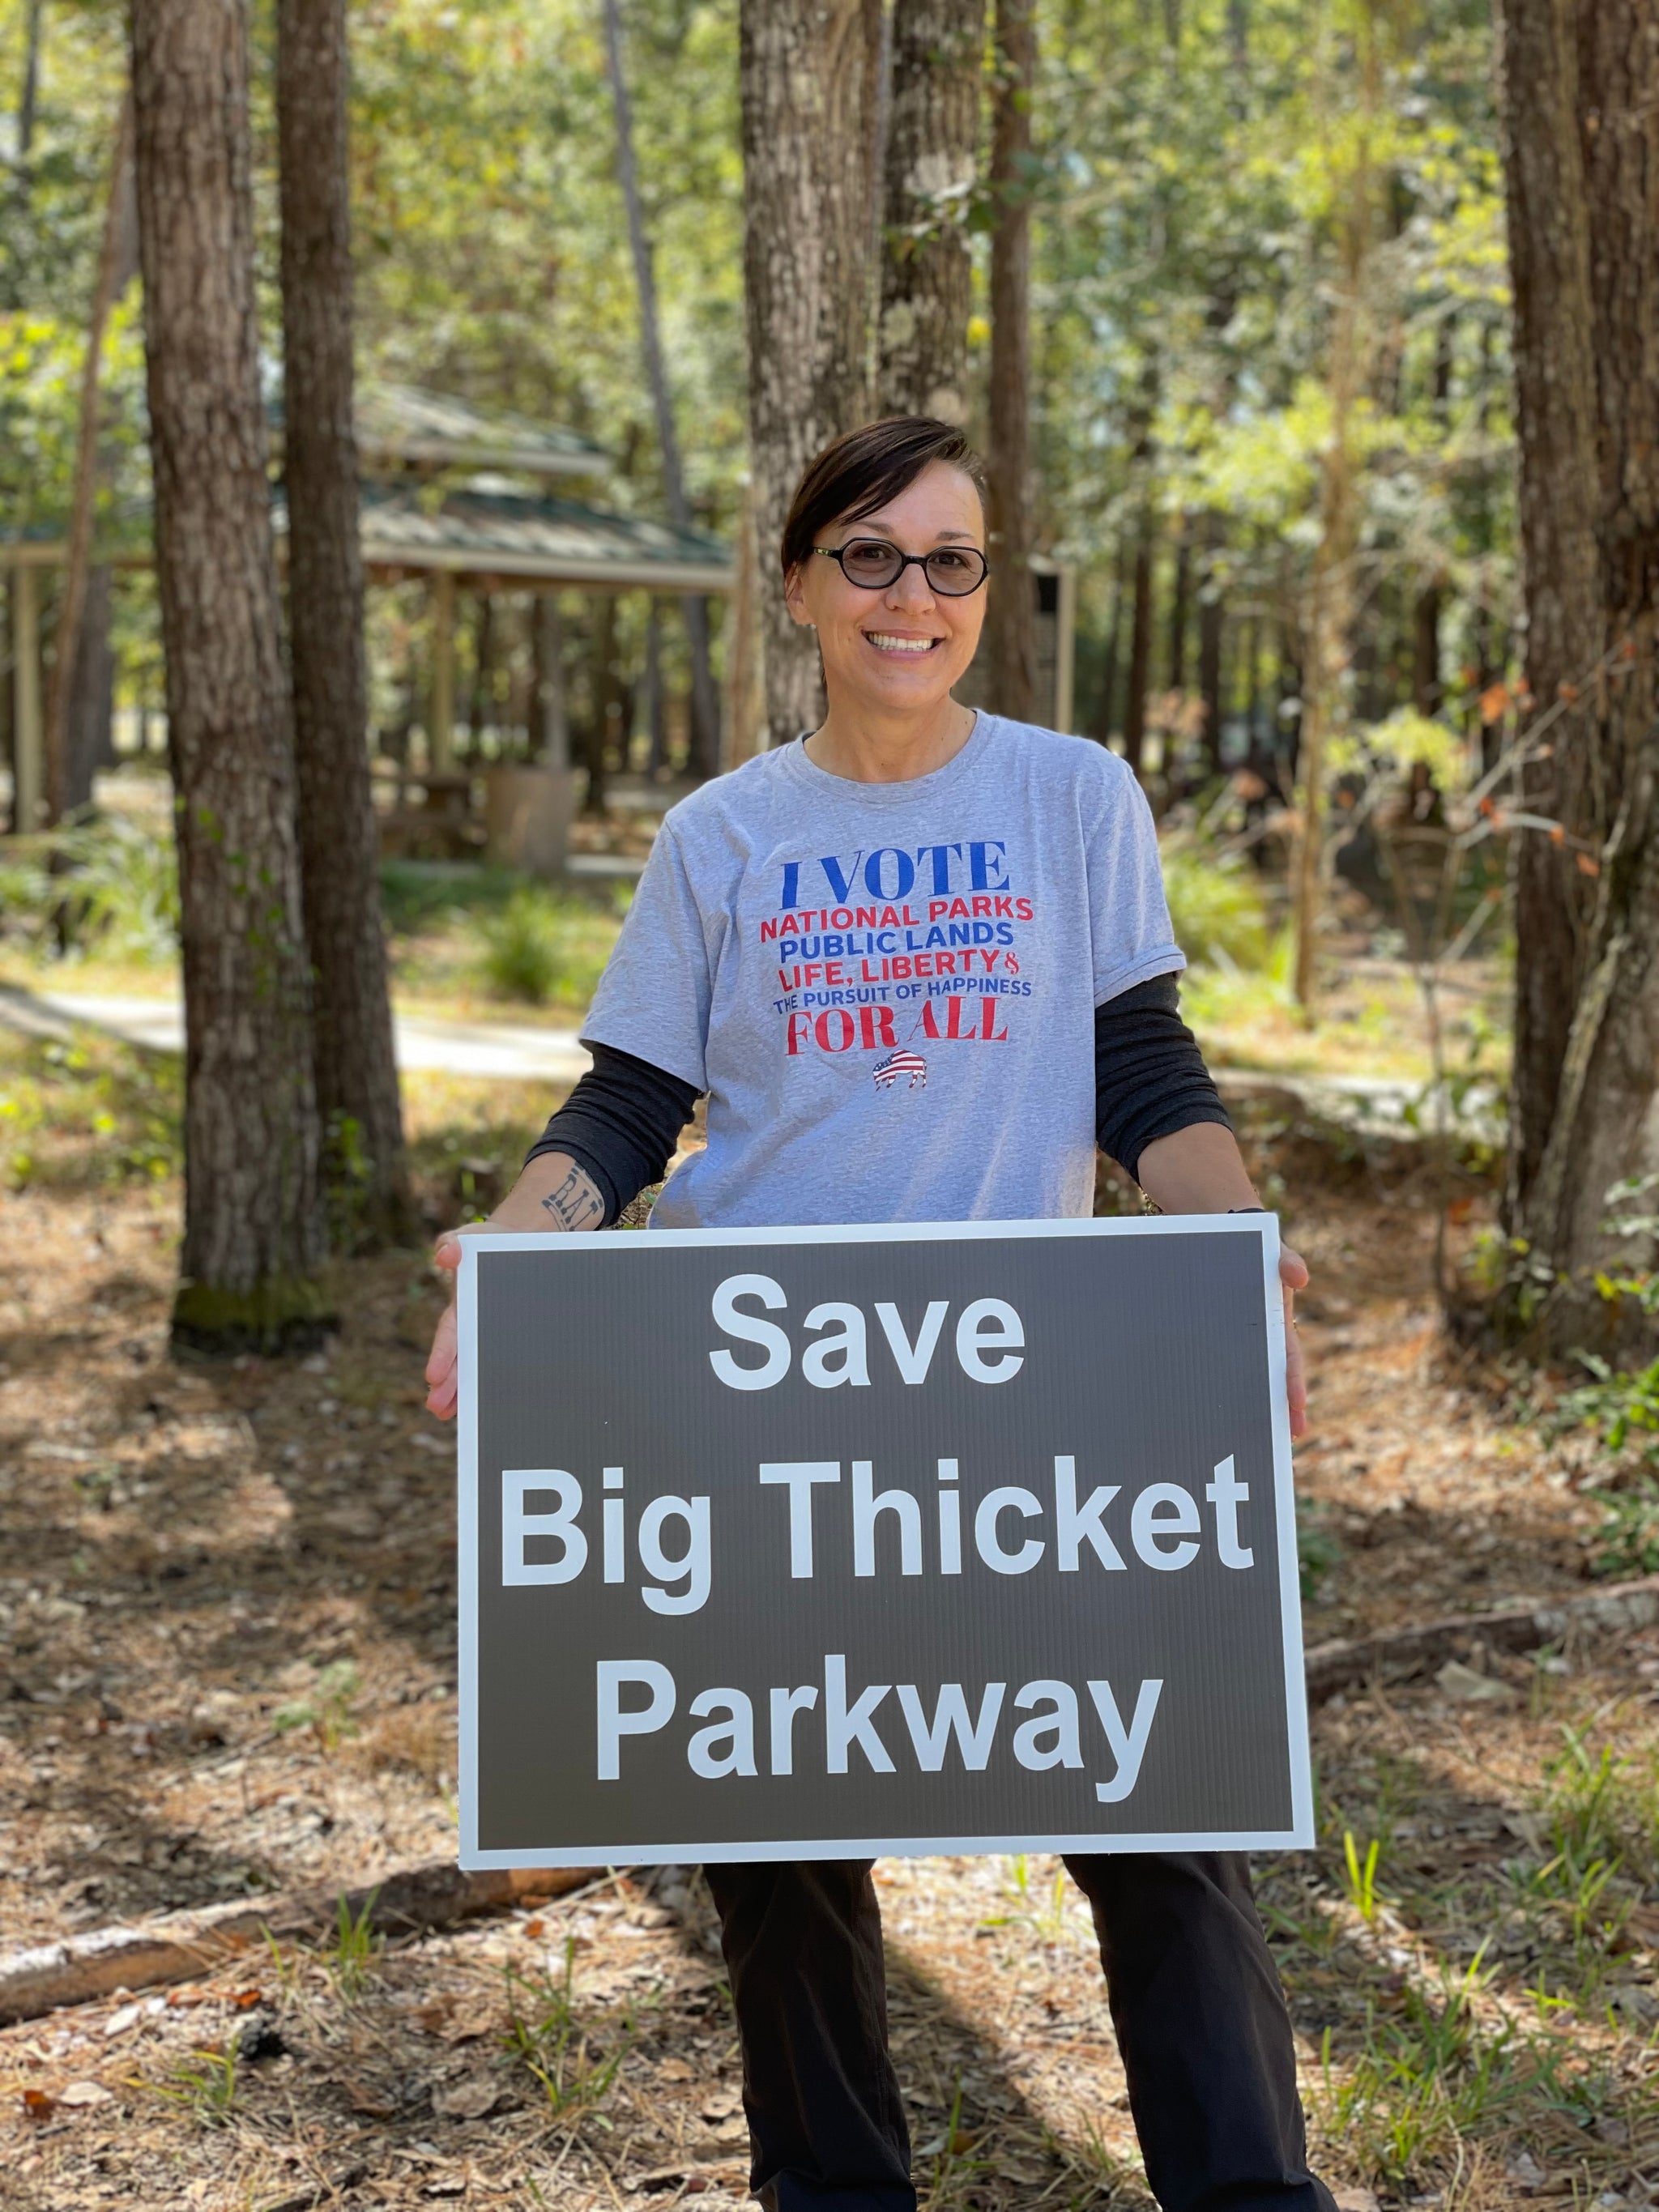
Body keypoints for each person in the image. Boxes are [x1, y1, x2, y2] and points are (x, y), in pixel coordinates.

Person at [424, 416, 1333, 2212]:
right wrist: (518, 1238)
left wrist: (1244, 1263)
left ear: (985, 590)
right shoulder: (723, 834)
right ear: (798, 585)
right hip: (765, 1398)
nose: (911, 595)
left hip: (1030, 1388)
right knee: (779, 1848)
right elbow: (626, 1105)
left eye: (951, 560)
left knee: (1159, 1818)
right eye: (869, 555)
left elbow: (1143, 1067)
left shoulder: (1072, 798)